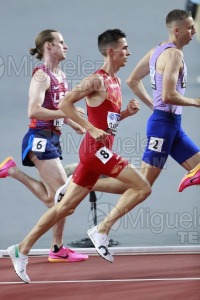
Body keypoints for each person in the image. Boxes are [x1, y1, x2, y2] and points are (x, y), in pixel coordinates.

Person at [7, 28, 151, 283]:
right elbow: (64, 105)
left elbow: (107, 122)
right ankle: (101, 229)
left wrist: (126, 114)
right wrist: (89, 128)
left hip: (98, 149)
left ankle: (21, 248)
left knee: (65, 207)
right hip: (95, 152)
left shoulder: (115, 82)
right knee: (142, 187)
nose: (128, 52)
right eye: (124, 48)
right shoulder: (96, 79)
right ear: (111, 52)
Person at [0, 29, 88, 263]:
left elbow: (59, 108)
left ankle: (11, 170)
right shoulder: (41, 75)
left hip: (52, 137)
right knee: (62, 199)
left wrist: (74, 123)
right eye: (61, 42)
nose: (66, 46)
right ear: (48, 46)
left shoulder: (61, 75)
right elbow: (34, 110)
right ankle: (56, 248)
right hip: (39, 136)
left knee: (57, 200)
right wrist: (67, 113)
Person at [125, 9, 200, 192]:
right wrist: (195, 101)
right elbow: (168, 96)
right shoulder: (174, 55)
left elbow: (132, 80)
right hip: (163, 128)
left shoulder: (156, 51)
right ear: (177, 30)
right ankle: (84, 182)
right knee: (141, 187)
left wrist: (154, 106)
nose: (194, 32)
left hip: (172, 125)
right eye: (190, 28)